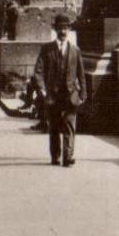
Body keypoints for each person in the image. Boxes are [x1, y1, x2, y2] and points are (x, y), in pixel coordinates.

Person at [33, 12, 86, 167]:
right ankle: (56, 156)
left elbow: (81, 74)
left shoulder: (75, 51)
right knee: (54, 127)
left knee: (70, 125)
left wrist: (83, 93)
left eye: (66, 28)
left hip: (70, 95)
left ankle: (68, 156)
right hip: (53, 95)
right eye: (60, 28)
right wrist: (42, 89)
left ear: (69, 30)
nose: (63, 32)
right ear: (55, 29)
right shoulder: (46, 49)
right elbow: (38, 71)